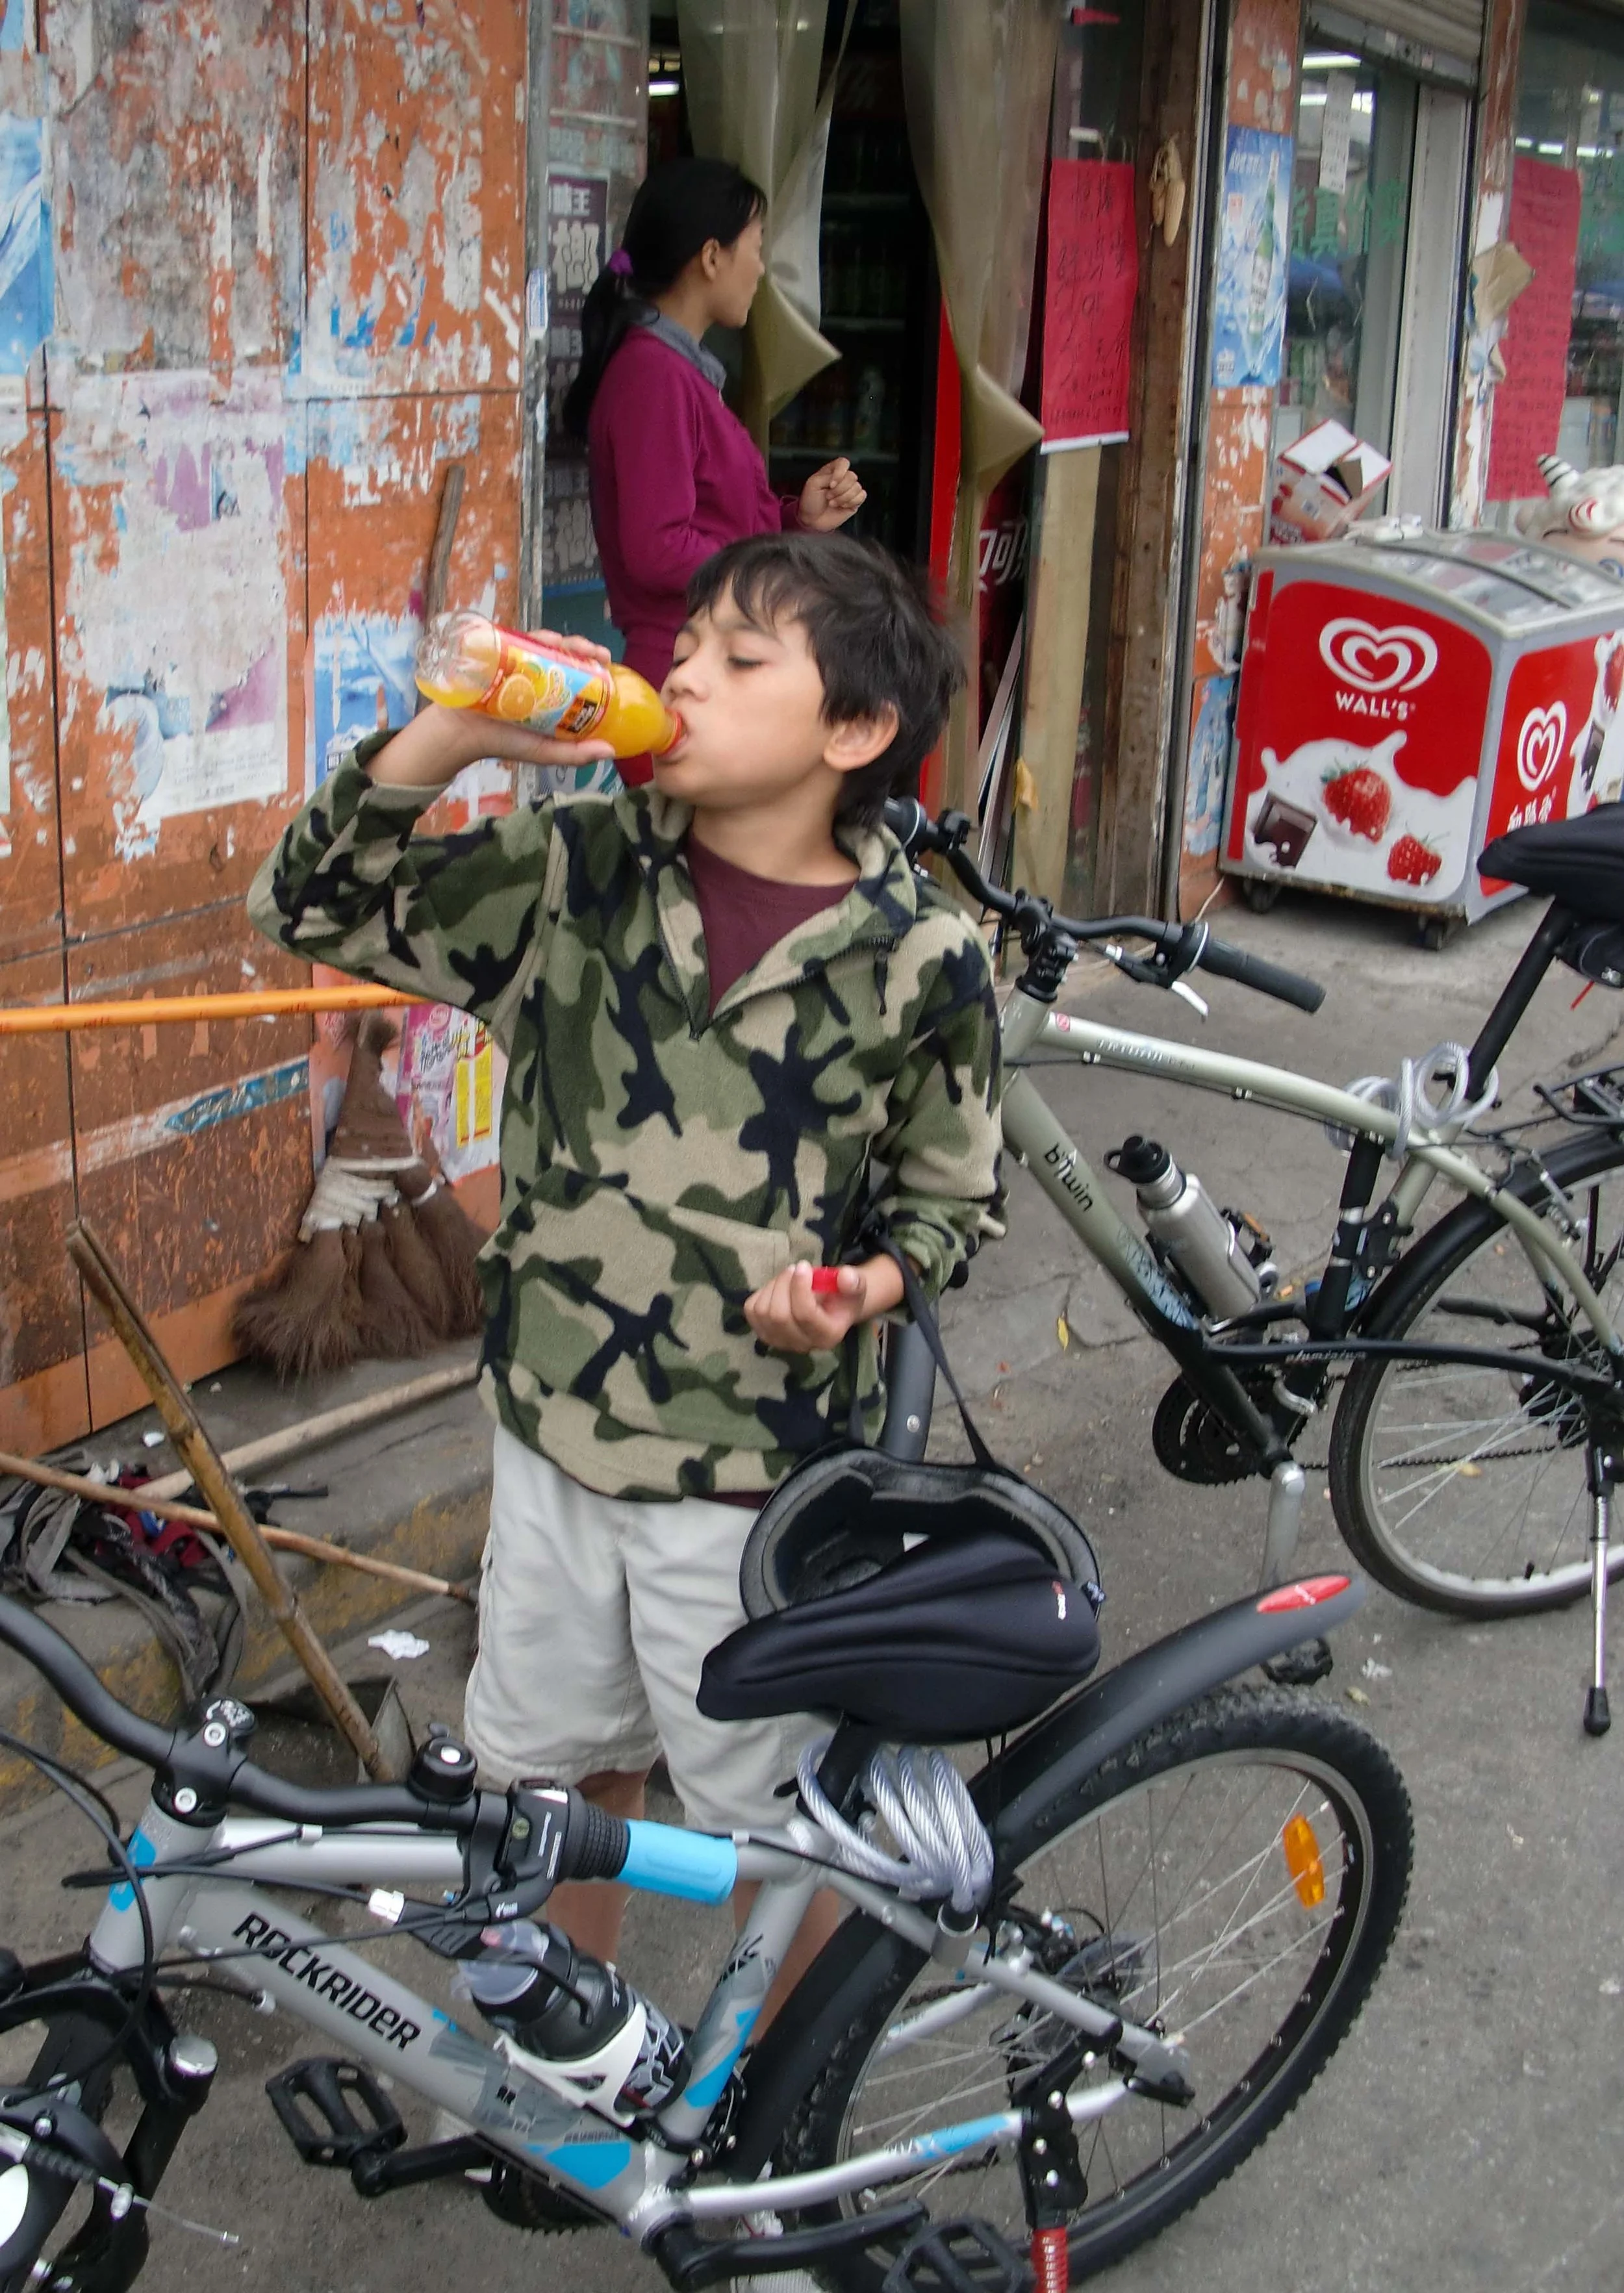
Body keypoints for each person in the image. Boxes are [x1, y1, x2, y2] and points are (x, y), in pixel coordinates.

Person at [247, 530, 1004, 2010]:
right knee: (554, 1785)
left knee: (787, 1834)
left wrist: (866, 1289)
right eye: (688, 647)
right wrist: (457, 727)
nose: (685, 674)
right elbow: (308, 908)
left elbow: (948, 1200)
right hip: (552, 1444)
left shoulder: (922, 957)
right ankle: (568, 2052)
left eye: (740, 659)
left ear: (851, 732)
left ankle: (793, 2117)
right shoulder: (577, 870)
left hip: (752, 1479)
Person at [564, 157, 866, 785]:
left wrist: (798, 521)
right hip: (681, 684)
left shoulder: (678, 374)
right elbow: (657, 547)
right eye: (754, 248)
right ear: (710, 257)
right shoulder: (653, 376)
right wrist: (776, 558)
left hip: (707, 674)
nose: (760, 268)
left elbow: (708, 523)